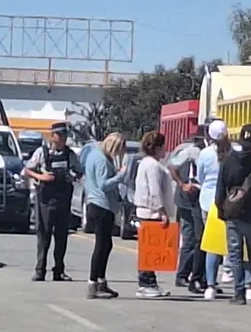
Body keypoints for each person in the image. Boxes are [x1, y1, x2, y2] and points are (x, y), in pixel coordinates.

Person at [214, 123, 251, 305]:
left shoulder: (228, 163)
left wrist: (222, 209)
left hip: (233, 215)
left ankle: (239, 293)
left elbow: (219, 191)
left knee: (235, 254)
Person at [23, 122, 82, 282]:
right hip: (46, 199)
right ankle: (40, 269)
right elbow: (27, 170)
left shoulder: (70, 154)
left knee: (61, 236)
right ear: (52, 136)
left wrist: (72, 176)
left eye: (65, 135)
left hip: (63, 198)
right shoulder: (41, 152)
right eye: (59, 135)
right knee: (44, 235)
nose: (62, 138)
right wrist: (42, 177)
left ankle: (59, 270)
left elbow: (79, 171)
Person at [80, 132, 128, 299]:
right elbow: (103, 185)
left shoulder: (94, 155)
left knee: (106, 245)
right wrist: (120, 176)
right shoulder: (101, 159)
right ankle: (93, 283)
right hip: (101, 205)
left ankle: (101, 280)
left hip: (97, 204)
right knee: (101, 246)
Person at [133, 131, 176, 298]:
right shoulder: (152, 165)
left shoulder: (148, 163)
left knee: (149, 248)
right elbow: (154, 189)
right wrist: (161, 210)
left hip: (149, 210)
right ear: (157, 148)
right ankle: (146, 283)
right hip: (150, 212)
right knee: (150, 249)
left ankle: (149, 281)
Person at [167, 125, 207, 293]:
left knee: (193, 238)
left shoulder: (207, 152)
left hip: (196, 199)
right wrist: (183, 184)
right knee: (195, 238)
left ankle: (187, 275)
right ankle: (187, 275)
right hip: (189, 199)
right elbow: (172, 166)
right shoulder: (193, 151)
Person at [196, 120, 230, 300]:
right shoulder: (234, 153)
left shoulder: (205, 154)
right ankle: (229, 272)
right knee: (232, 242)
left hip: (208, 201)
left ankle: (210, 284)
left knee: (212, 244)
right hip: (229, 202)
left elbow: (200, 177)